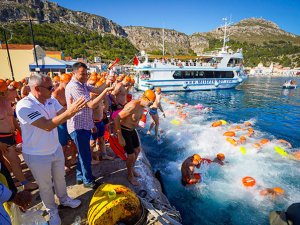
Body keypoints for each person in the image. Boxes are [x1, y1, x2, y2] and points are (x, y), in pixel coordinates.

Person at [16, 73, 86, 225]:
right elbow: (47, 126)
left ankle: (64, 198)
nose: (53, 89)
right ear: (37, 89)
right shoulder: (24, 106)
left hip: (54, 149)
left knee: (60, 178)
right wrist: (70, 111)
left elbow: (62, 114)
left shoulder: (50, 99)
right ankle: (52, 210)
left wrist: (74, 108)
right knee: (45, 185)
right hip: (37, 154)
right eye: (50, 88)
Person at [65, 62, 114, 189]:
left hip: (85, 124)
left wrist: (107, 81)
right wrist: (106, 92)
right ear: (73, 73)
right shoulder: (74, 87)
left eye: (86, 73)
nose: (85, 76)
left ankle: (80, 177)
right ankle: (88, 181)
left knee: (83, 153)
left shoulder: (82, 84)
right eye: (82, 74)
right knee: (85, 154)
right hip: (77, 126)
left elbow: (97, 89)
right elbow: (91, 104)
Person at [0, 80, 38, 191]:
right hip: (2, 138)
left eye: (6, 90)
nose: (6, 92)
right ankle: (25, 183)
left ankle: (12, 181)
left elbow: (11, 118)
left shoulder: (6, 102)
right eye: (4, 91)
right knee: (15, 161)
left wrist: (20, 130)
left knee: (15, 162)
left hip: (11, 135)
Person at [114, 90, 156, 186]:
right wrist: (120, 136)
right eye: (151, 102)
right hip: (124, 130)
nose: (151, 104)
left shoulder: (142, 107)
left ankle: (131, 168)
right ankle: (129, 175)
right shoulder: (132, 106)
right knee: (131, 155)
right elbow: (117, 118)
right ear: (145, 98)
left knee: (137, 150)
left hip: (132, 131)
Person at [52, 74, 77, 169]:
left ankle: (73, 157)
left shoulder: (70, 90)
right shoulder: (56, 94)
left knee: (74, 140)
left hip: (70, 119)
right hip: (62, 122)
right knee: (63, 144)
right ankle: (62, 163)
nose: (69, 85)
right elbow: (55, 111)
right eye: (67, 83)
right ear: (61, 82)